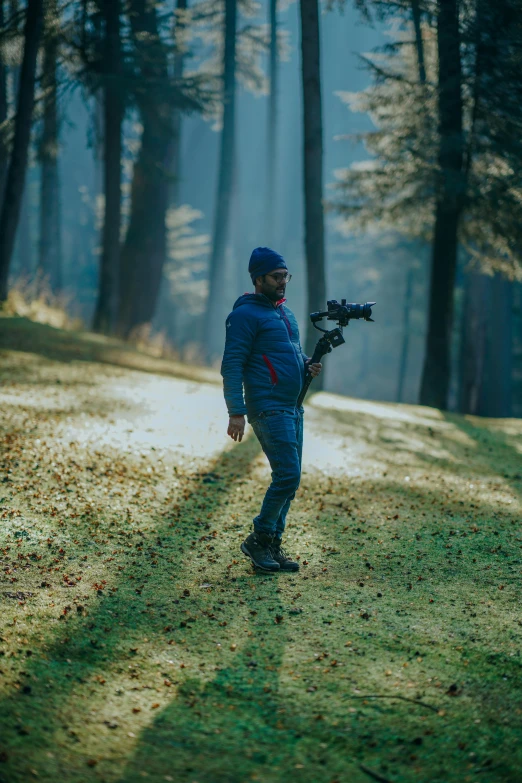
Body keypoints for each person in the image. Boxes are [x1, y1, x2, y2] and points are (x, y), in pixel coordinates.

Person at [220, 247, 322, 573]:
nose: (283, 282)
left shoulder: (285, 314)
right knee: (288, 475)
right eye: (276, 277)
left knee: (290, 481)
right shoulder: (244, 316)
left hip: (293, 407)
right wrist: (235, 412)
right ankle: (258, 539)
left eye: (285, 276)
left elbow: (288, 355)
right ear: (258, 278)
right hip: (268, 408)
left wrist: (307, 365)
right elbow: (232, 366)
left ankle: (273, 546)